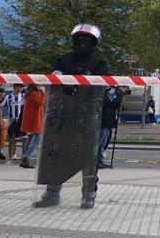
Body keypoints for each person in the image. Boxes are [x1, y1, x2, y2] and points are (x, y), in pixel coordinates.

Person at [34, 24, 109, 209]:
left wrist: (86, 84)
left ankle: (88, 195)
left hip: (88, 114)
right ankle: (51, 194)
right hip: (62, 114)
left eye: (87, 39)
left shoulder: (100, 62)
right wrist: (62, 84)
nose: (83, 42)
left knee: (88, 157)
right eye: (80, 38)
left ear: (94, 41)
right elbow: (53, 78)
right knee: (55, 154)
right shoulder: (64, 60)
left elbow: (105, 84)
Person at [19, 84, 46, 169]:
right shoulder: (34, 94)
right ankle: (26, 158)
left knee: (29, 140)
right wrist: (43, 94)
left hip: (30, 121)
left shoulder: (29, 94)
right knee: (36, 141)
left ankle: (24, 157)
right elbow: (40, 103)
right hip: (34, 121)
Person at [97, 87, 123, 169]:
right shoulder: (102, 96)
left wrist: (119, 97)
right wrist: (119, 95)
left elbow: (114, 106)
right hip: (104, 122)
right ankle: (97, 162)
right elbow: (110, 105)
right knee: (100, 143)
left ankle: (100, 161)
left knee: (103, 143)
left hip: (109, 123)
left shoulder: (106, 97)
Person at [2, 83, 25, 163]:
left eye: (21, 87)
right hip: (12, 120)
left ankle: (24, 158)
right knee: (12, 139)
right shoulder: (8, 97)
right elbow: (1, 107)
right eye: (19, 87)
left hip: (21, 120)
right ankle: (10, 158)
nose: (20, 89)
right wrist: (1, 119)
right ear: (14, 87)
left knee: (24, 138)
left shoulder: (23, 96)